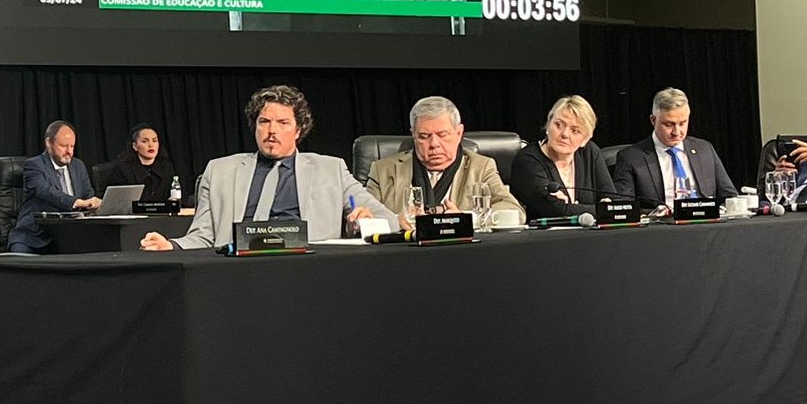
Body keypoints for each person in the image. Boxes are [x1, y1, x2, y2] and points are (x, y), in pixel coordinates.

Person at [140, 85, 393, 250]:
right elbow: (203, 236)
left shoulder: (331, 169)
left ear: (298, 130)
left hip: (307, 269)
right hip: (235, 270)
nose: (271, 131)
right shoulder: (220, 171)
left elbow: (389, 221)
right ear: (255, 126)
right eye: (264, 122)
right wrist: (171, 246)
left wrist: (365, 223)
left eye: (282, 122)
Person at [364, 96, 523, 224]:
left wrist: (466, 219)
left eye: (442, 135)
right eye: (424, 136)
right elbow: (365, 217)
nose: (434, 144)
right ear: (413, 135)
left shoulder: (481, 167)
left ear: (459, 133)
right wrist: (395, 221)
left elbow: (514, 211)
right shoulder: (383, 170)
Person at [612, 87, 738, 209]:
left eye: (682, 123)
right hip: (662, 227)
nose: (676, 132)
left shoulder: (704, 149)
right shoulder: (631, 158)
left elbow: (729, 196)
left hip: (705, 224)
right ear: (653, 120)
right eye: (669, 124)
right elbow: (624, 207)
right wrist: (656, 213)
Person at [509, 95, 617, 220]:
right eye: (559, 125)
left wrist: (571, 207)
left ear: (585, 139)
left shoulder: (589, 152)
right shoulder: (528, 160)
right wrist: (600, 209)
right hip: (545, 238)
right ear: (548, 125)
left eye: (575, 131)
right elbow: (555, 209)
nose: (565, 134)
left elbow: (614, 201)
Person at [7, 121, 100, 253]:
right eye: (63, 146)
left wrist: (96, 203)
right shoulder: (34, 165)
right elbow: (46, 192)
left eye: (72, 146)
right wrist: (76, 202)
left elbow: (88, 196)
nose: (69, 151)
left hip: (68, 238)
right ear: (49, 143)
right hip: (34, 238)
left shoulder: (78, 166)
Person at [104, 123, 178, 203]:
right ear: (135, 146)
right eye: (144, 141)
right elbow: (116, 202)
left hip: (162, 214)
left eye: (154, 141)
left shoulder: (166, 166)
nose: (151, 145)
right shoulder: (122, 169)